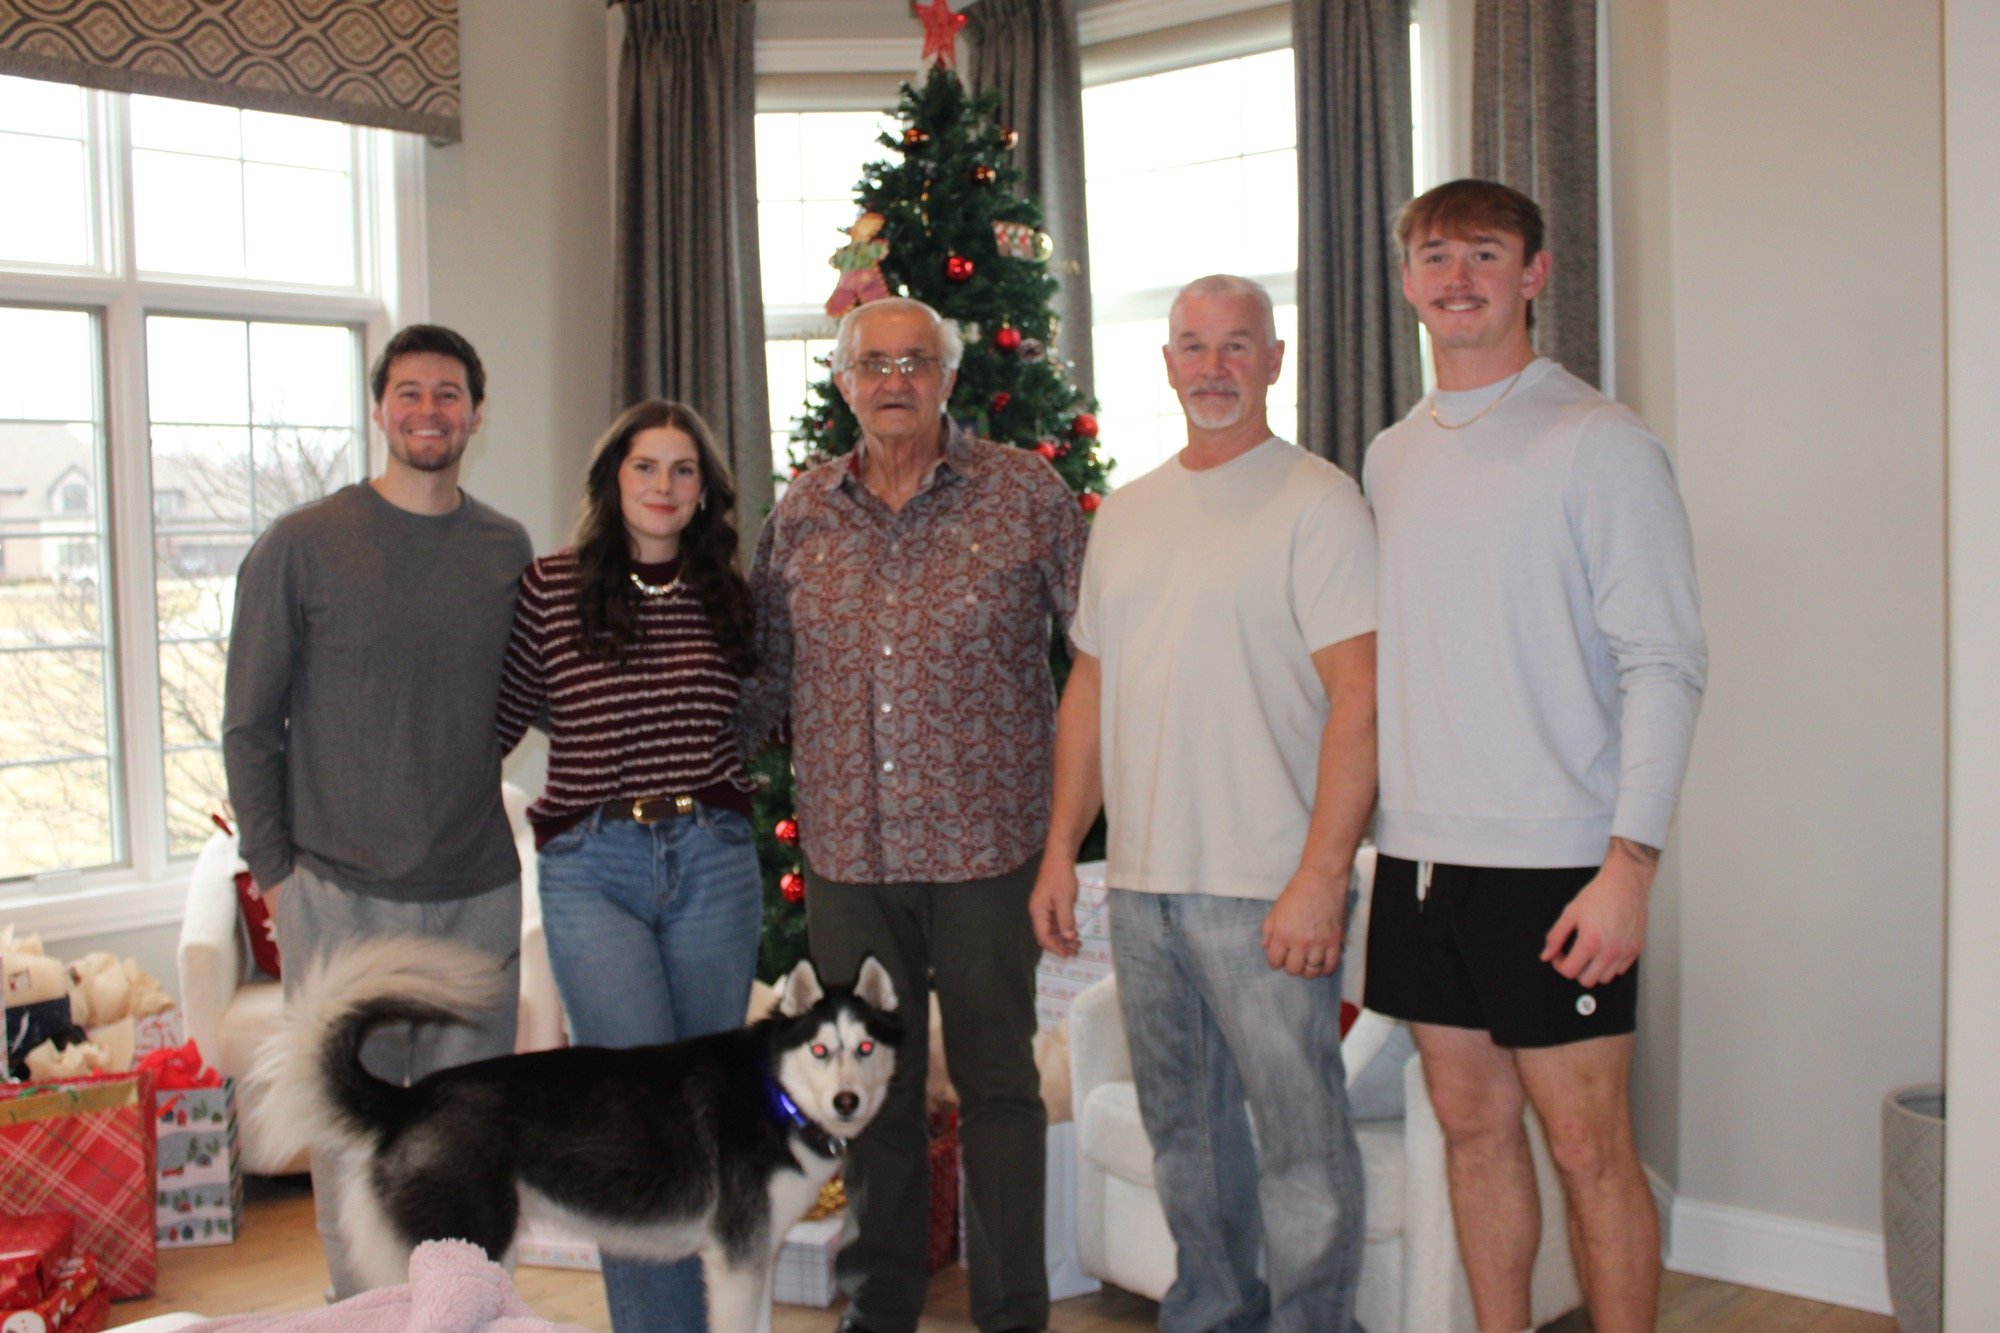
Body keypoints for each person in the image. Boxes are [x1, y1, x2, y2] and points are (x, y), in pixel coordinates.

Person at [1361, 179, 1706, 1333]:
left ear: (1532, 274)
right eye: (1435, 256)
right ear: (1407, 280)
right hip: (1416, 860)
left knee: (1587, 1147)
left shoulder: (1595, 440)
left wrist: (1630, 864)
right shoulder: (1389, 454)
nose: (1456, 277)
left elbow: (1662, 661)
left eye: (1484, 253)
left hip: (1560, 863)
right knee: (1469, 1128)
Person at [1029, 274, 1378, 1333]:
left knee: (1299, 1143)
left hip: (1266, 888)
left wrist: (1320, 879)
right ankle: (1211, 1315)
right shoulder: (1126, 513)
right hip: (1141, 890)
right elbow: (1086, 688)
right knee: (1184, 1135)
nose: (1212, 367)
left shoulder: (1318, 502)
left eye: (1237, 346)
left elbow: (1361, 700)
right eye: (1192, 345)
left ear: (1274, 361)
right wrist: (1058, 853)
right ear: (1167, 362)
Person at [741, 296, 1085, 1333]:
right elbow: (761, 682)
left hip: (987, 848)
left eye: (916, 361)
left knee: (995, 1087)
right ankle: (877, 1307)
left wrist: (1071, 832)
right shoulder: (800, 510)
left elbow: (1101, 657)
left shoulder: (1024, 493)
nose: (894, 380)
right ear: (844, 382)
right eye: (872, 363)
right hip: (849, 851)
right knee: (867, 1085)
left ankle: (1011, 1312)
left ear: (947, 376)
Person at [221, 323, 532, 1299]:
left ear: (475, 415)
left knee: (465, 1138)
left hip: (474, 891)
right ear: (378, 408)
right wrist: (277, 873)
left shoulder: (504, 546)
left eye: (448, 394)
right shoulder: (303, 545)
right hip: (337, 893)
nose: (428, 411)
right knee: (351, 1136)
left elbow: (515, 701)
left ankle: (459, 1310)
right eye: (409, 392)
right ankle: (360, 1315)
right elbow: (245, 725)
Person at [494, 398, 762, 1330]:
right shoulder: (550, 586)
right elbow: (504, 717)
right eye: (645, 466)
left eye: (682, 469)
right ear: (614, 480)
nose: (663, 485)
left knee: (707, 1119)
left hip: (714, 864)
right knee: (632, 1132)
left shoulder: (727, 589)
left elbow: (758, 712)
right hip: (592, 867)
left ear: (704, 491)